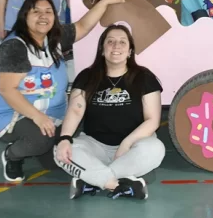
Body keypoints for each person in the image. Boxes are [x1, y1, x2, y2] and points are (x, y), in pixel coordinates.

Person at [0, 0, 125, 182]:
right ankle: (12, 155)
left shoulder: (55, 38)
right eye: (36, 11)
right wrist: (38, 118)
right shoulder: (14, 47)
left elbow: (83, 26)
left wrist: (105, 2)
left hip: (52, 115)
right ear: (25, 16)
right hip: (13, 115)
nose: (43, 16)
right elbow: (6, 90)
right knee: (40, 140)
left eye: (49, 11)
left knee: (60, 157)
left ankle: (41, 147)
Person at [54, 23, 165, 200]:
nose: (116, 46)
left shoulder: (145, 77)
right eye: (110, 41)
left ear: (130, 51)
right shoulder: (86, 76)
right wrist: (65, 139)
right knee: (61, 151)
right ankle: (117, 184)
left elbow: (152, 121)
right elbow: (75, 111)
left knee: (155, 149)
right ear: (102, 49)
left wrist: (126, 144)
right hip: (94, 144)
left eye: (122, 42)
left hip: (133, 146)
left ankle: (91, 180)